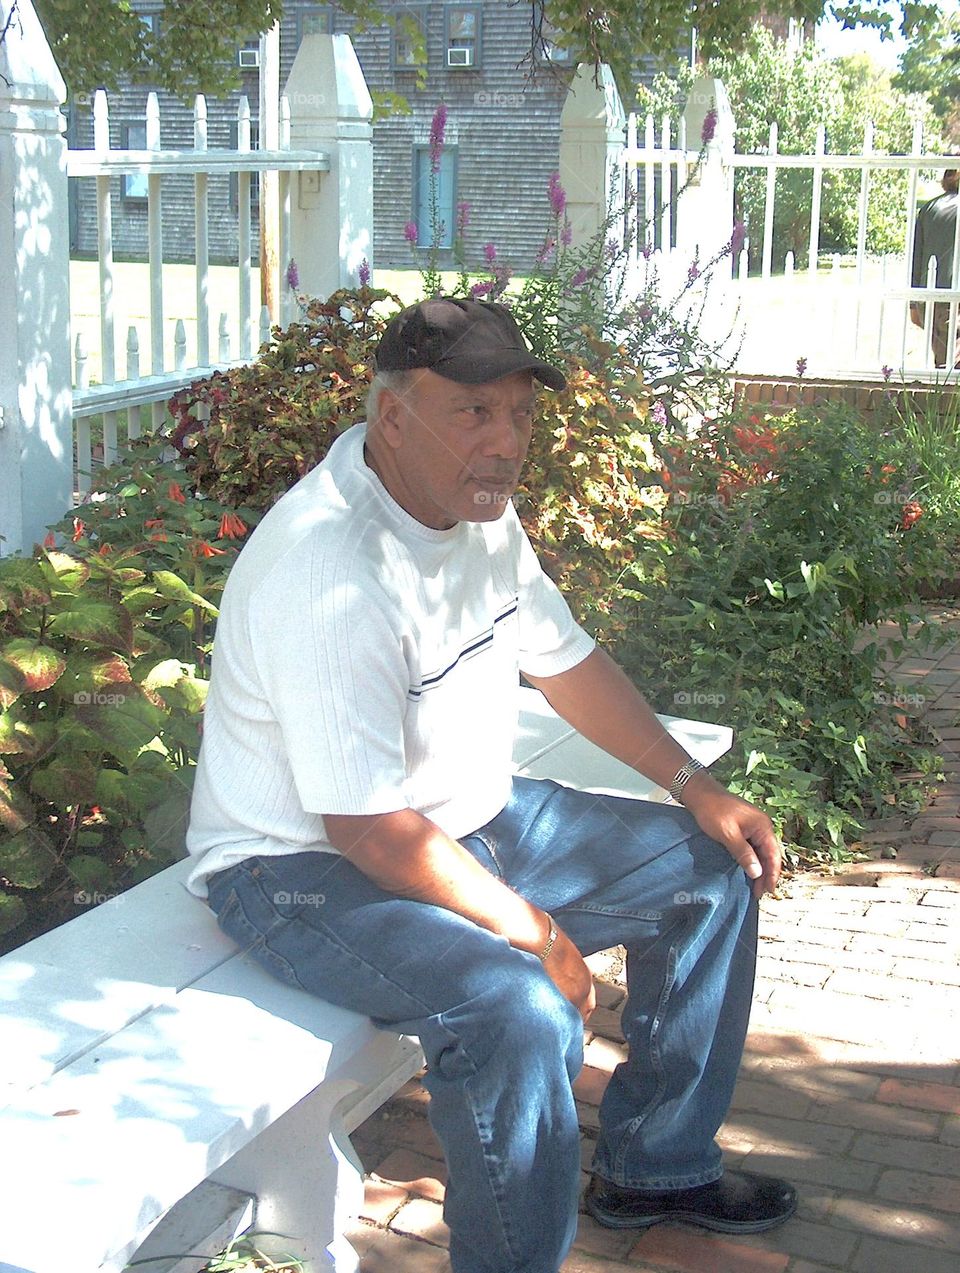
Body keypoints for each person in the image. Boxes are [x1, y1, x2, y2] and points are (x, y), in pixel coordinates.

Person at [185, 297, 797, 1273]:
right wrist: (540, 934)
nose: (504, 442)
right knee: (519, 1008)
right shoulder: (327, 567)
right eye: (474, 412)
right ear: (392, 417)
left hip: (463, 819)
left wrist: (692, 784)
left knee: (707, 873)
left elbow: (566, 661)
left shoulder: (476, 516)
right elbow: (369, 831)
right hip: (297, 874)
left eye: (518, 413)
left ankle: (656, 1164)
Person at [910, 166, 960, 368]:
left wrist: (914, 303)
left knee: (945, 368)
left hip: (932, 296)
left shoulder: (928, 209)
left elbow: (917, 258)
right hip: (952, 299)